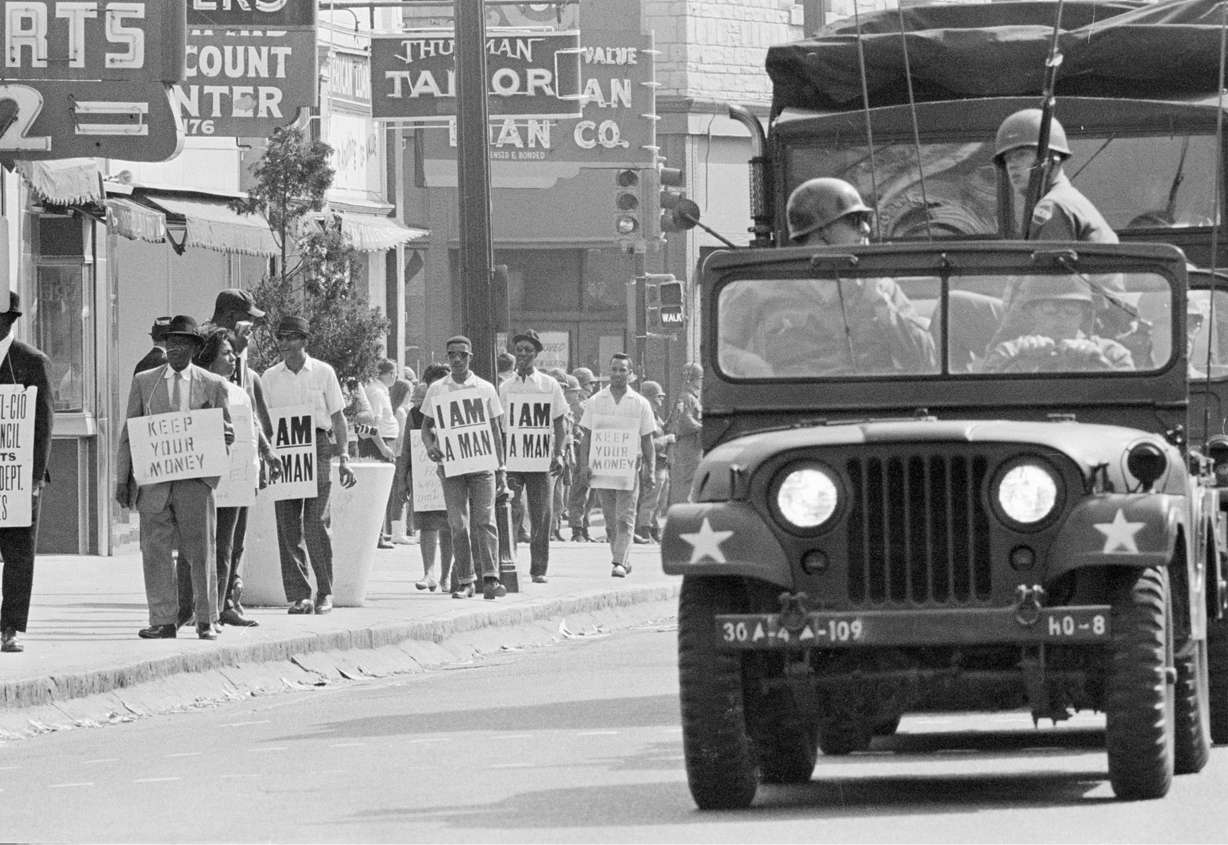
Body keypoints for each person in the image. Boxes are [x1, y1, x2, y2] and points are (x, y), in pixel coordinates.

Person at [729, 177, 935, 376]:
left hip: (873, 401)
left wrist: (882, 303)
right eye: (854, 220)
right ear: (823, 229)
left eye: (865, 220)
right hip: (797, 403)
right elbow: (720, 345)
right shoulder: (762, 286)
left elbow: (926, 361)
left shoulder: (882, 287)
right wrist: (746, 362)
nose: (866, 229)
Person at [116, 315, 233, 641]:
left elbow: (228, 434)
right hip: (154, 483)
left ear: (195, 348)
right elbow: (129, 432)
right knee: (155, 551)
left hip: (194, 482)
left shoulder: (212, 384)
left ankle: (206, 619)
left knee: (200, 551)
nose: (176, 349)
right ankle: (163, 619)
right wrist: (121, 478)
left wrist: (209, 474)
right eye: (171, 343)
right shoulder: (144, 381)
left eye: (183, 343)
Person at [261, 315, 357, 615]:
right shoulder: (269, 377)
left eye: (291, 337)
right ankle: (299, 594)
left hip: (317, 445)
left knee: (315, 522)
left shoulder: (323, 372)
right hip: (283, 449)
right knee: (288, 525)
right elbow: (262, 420)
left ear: (304, 340)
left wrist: (344, 457)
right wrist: (266, 455)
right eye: (281, 338)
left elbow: (338, 417)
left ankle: (325, 592)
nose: (285, 344)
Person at [191, 327, 278, 628]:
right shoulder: (199, 391)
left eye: (233, 353)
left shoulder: (240, 389)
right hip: (208, 478)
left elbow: (252, 423)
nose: (232, 358)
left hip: (239, 480)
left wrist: (267, 454)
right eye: (226, 354)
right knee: (203, 544)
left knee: (228, 545)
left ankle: (219, 606)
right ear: (210, 359)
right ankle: (199, 609)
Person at [420, 335, 509, 601]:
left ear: (470, 357)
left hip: (482, 465)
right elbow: (426, 426)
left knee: (485, 520)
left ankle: (491, 579)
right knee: (457, 523)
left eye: (462, 354)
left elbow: (495, 430)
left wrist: (501, 468)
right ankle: (465, 580)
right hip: (451, 464)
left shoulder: (485, 388)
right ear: (447, 358)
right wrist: (430, 445)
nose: (456, 359)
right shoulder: (437, 389)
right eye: (451, 355)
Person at [0, 293, 54, 653]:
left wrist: (35, 477)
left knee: (19, 553)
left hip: (19, 477)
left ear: (11, 321)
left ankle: (9, 627)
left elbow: (44, 422)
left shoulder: (31, 361)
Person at [577, 353, 656, 579]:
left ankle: (619, 562)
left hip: (628, 470)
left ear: (630, 374)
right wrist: (584, 466)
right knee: (611, 521)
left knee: (625, 516)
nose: (618, 374)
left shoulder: (640, 403)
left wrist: (650, 470)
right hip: (602, 469)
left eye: (623, 370)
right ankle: (622, 558)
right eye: (614, 369)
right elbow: (587, 438)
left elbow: (647, 440)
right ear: (608, 371)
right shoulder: (596, 401)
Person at [499, 329, 568, 584]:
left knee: (542, 514)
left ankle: (539, 568)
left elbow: (560, 423)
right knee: (512, 510)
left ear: (537, 354)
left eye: (529, 350)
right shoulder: (506, 387)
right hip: (513, 459)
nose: (523, 355)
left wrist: (559, 453)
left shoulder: (549, 385)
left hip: (541, 461)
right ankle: (509, 563)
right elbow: (499, 425)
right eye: (519, 350)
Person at [994, 109, 1117, 244]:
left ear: (1052, 158)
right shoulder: (1065, 199)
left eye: (1021, 155)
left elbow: (1046, 264)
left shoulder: (1052, 206)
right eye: (1008, 159)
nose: (1011, 165)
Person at [981, 276, 1135, 373]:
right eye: (1050, 309)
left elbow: (1131, 400)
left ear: (1085, 314)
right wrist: (1022, 358)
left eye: (1071, 310)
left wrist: (1098, 362)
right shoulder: (1009, 351)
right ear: (1031, 312)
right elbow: (984, 397)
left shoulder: (1112, 353)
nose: (1061, 318)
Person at [397, 368, 452, 591]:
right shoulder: (416, 414)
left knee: (450, 526)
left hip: (452, 478)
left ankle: (446, 576)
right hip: (424, 480)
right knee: (427, 525)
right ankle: (429, 572)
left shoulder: (457, 410)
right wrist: (402, 480)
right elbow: (407, 449)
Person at [362, 359, 401, 549]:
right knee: (379, 489)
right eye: (393, 372)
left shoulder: (381, 391)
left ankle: (381, 533)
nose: (395, 376)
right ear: (383, 373)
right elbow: (372, 424)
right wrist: (383, 447)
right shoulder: (376, 392)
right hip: (379, 442)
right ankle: (377, 535)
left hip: (386, 439)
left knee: (385, 489)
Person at [633, 380, 671, 543]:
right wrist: (667, 439)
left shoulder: (656, 417)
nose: (661, 400)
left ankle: (654, 528)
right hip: (651, 464)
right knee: (650, 500)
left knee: (660, 501)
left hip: (662, 463)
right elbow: (647, 444)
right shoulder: (644, 417)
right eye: (658, 397)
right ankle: (644, 530)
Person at [565, 374, 596, 542]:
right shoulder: (578, 409)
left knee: (587, 494)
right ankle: (577, 529)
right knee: (579, 494)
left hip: (587, 454)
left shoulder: (585, 407)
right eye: (589, 384)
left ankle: (583, 527)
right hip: (578, 455)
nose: (591, 388)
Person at [668, 363, 704, 507]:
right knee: (689, 479)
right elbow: (685, 420)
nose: (700, 382)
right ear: (693, 379)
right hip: (688, 445)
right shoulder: (687, 397)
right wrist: (703, 427)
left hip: (693, 445)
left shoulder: (689, 397)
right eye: (699, 379)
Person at [387, 377, 416, 544]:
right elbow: (404, 436)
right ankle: (399, 531)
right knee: (401, 494)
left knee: (395, 494)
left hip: (395, 454)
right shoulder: (402, 412)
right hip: (400, 455)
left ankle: (395, 529)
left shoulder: (394, 409)